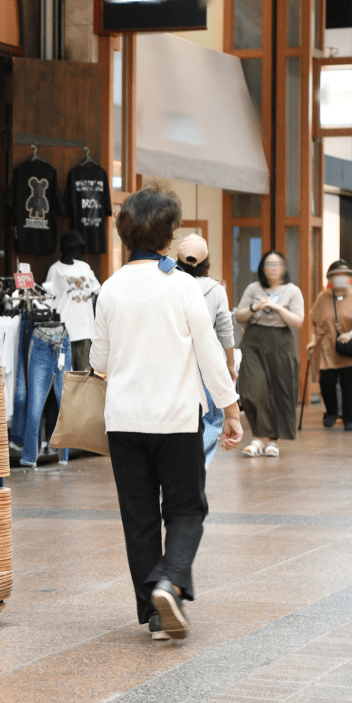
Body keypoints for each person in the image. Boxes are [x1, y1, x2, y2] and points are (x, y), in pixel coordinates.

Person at [90, 184, 242, 641]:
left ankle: (155, 617)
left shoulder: (111, 288)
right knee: (186, 510)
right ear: (167, 235)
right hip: (176, 420)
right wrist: (231, 411)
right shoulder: (182, 286)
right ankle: (168, 581)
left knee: (139, 518)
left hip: (123, 422)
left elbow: (99, 362)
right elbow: (212, 355)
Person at [234, 250, 305, 456]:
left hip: (281, 342)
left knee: (279, 390)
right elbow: (239, 316)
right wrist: (255, 307)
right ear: (262, 268)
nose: (272, 268)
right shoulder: (253, 288)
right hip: (254, 340)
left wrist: (278, 308)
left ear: (284, 268)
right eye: (268, 265)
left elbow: (298, 321)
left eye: (277, 264)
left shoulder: (292, 290)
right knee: (253, 390)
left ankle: (272, 440)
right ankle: (258, 437)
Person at [175, 233, 237, 467]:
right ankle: (198, 464)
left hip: (178, 361)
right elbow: (225, 330)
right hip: (207, 363)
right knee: (211, 417)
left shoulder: (172, 284)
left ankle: (179, 464)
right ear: (206, 260)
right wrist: (230, 364)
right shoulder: (215, 289)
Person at [308, 260, 352, 431]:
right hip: (328, 347)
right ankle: (332, 412)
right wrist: (313, 340)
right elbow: (314, 320)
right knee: (326, 382)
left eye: (343, 275)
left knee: (349, 385)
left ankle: (348, 418)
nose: (340, 279)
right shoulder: (323, 296)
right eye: (336, 276)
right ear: (330, 278)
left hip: (350, 346)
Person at [43, 230, 99, 371]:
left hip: (85, 328)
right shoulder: (55, 270)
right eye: (77, 245)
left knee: (85, 374)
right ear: (68, 247)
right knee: (65, 374)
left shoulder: (84, 267)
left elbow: (97, 292)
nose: (80, 248)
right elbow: (48, 300)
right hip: (65, 329)